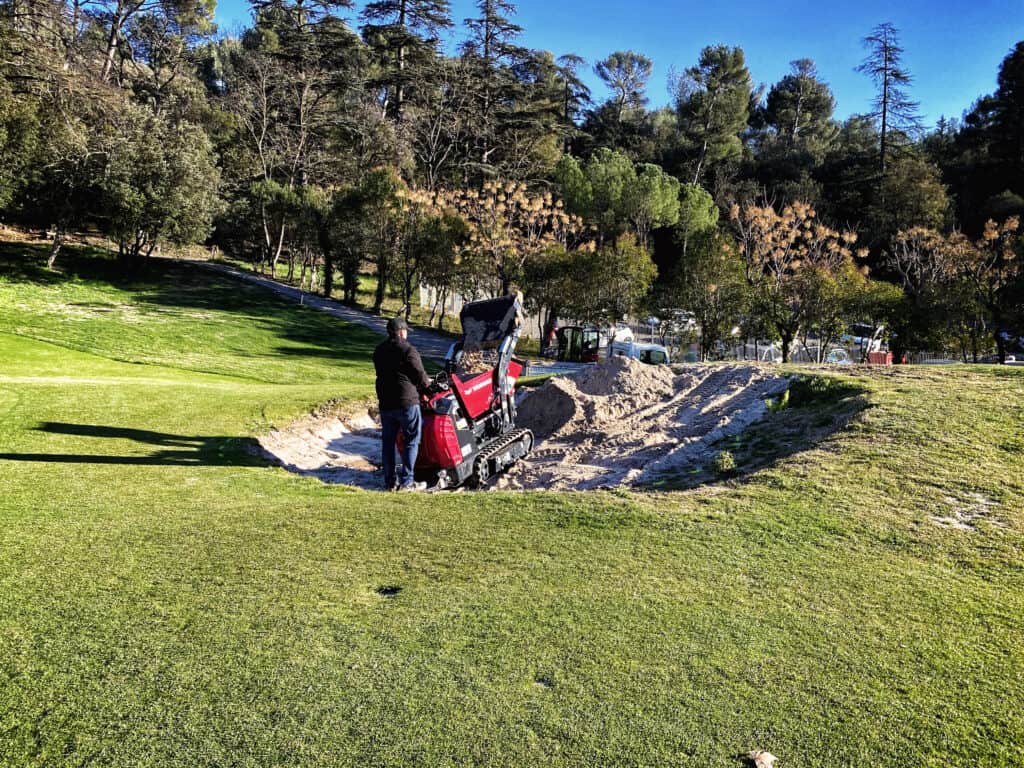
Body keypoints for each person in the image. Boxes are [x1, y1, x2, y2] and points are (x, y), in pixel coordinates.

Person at [373, 317, 432, 491]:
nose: (406, 334)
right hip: (407, 402)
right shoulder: (408, 350)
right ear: (401, 332)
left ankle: (389, 481)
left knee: (388, 443)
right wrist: (429, 390)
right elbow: (419, 375)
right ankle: (407, 481)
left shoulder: (379, 351)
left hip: (386, 403)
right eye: (405, 331)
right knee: (411, 441)